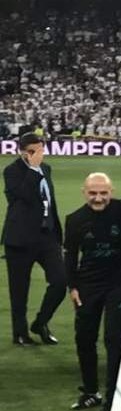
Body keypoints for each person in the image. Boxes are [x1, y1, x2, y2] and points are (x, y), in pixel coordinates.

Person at [62, 173, 121, 411]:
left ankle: (114, 396)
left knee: (114, 339)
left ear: (111, 191)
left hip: (119, 285)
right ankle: (90, 392)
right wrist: (72, 287)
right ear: (84, 192)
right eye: (93, 193)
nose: (98, 198)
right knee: (84, 338)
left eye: (103, 193)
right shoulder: (74, 219)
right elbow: (70, 255)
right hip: (88, 286)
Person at [3, 132, 66, 346]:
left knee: (60, 281)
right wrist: (32, 168)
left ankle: (41, 323)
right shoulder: (12, 171)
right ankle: (20, 333)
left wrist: (56, 232)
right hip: (20, 239)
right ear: (21, 151)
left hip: (47, 236)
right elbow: (25, 196)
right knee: (19, 290)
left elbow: (49, 200)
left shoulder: (46, 168)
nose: (37, 155)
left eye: (40, 150)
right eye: (31, 151)